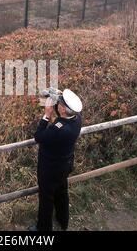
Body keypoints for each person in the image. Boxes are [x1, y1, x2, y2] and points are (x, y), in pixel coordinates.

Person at [30, 89, 82, 231]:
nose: (58, 105)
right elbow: (68, 111)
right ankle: (63, 220)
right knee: (61, 192)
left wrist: (46, 115)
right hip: (65, 165)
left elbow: (38, 137)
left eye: (60, 104)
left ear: (63, 110)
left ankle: (43, 228)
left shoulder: (59, 129)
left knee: (46, 198)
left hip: (50, 169)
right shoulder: (77, 120)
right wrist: (59, 95)